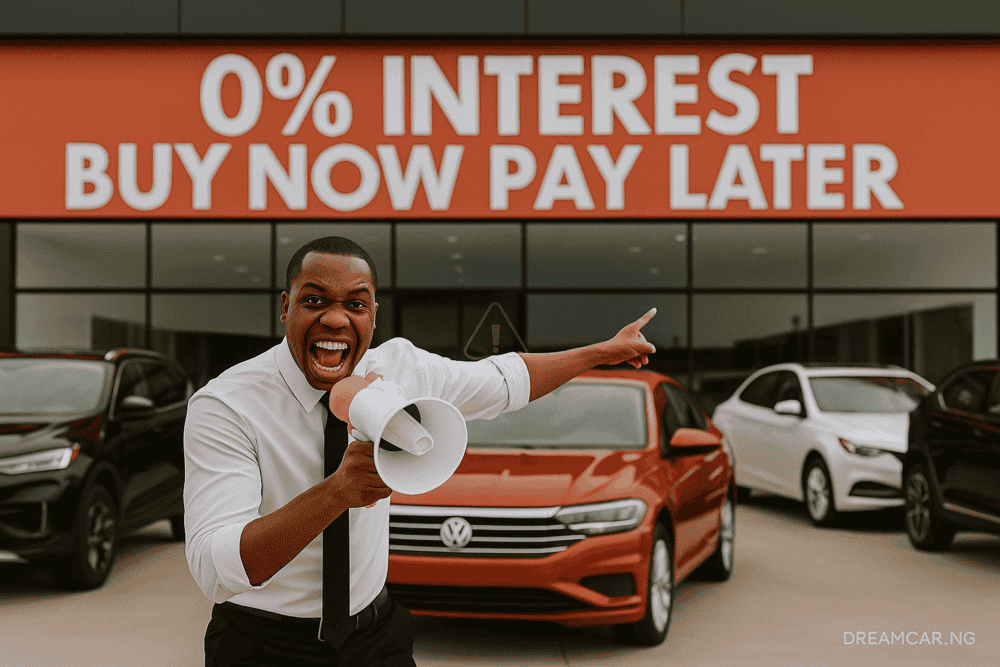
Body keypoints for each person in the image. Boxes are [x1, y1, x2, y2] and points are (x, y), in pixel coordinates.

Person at [183, 236, 657, 667]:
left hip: (374, 637)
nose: (335, 318)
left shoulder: (400, 367)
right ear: (285, 308)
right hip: (263, 646)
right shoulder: (227, 405)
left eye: (356, 304)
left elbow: (506, 380)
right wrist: (335, 494)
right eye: (314, 300)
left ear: (373, 316)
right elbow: (216, 570)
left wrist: (600, 352)